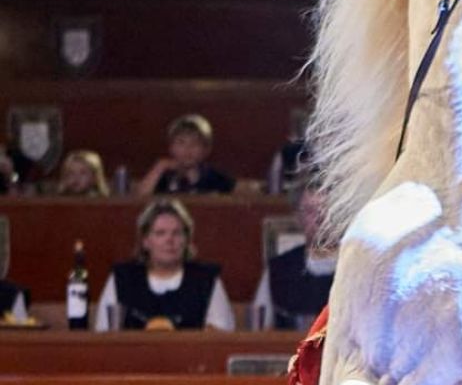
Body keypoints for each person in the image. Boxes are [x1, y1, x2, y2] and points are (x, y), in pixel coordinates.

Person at [94, 198, 235, 331]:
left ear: (186, 240)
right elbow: (103, 333)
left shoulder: (206, 280)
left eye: (177, 233)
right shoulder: (122, 278)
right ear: (145, 241)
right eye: (160, 233)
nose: (169, 240)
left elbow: (220, 335)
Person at [251, 180, 337, 330]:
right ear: (298, 218)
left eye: (327, 210)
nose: (320, 218)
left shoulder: (355, 266)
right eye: (311, 211)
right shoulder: (279, 269)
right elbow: (260, 328)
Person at [136, 114, 235, 197]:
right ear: (171, 147)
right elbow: (139, 198)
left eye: (195, 143)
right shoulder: (164, 176)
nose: (188, 149)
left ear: (206, 149)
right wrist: (159, 167)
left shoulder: (216, 178)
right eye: (181, 143)